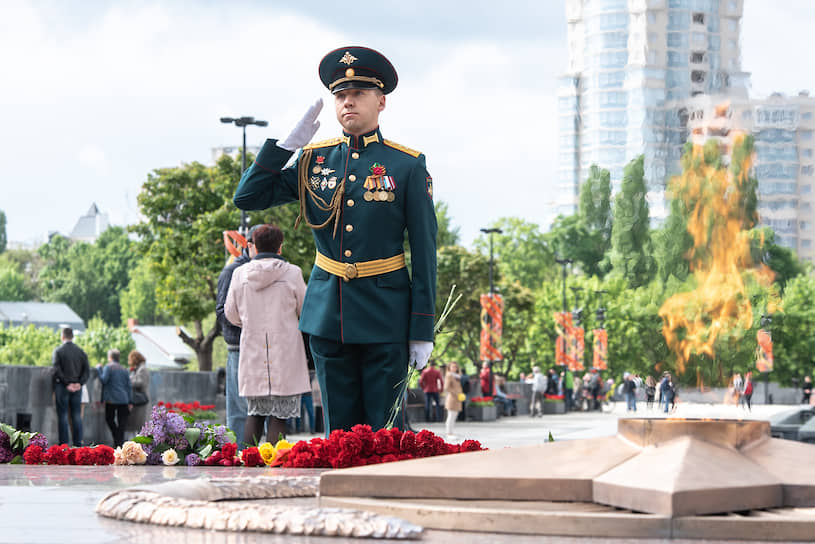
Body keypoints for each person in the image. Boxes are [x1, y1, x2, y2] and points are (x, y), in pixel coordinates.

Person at [233, 46, 437, 433]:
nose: (347, 103)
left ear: (381, 102)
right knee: (337, 435)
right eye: (340, 96)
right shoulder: (314, 160)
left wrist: (420, 329)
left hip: (386, 314)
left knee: (386, 433)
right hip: (330, 315)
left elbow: (425, 253)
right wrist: (284, 148)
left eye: (358, 94)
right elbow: (248, 197)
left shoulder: (407, 165)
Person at [225, 224, 311, 445]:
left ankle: (249, 462)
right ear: (280, 247)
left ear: (254, 246)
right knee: (280, 416)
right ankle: (276, 465)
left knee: (254, 414)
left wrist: (248, 323)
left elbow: (230, 313)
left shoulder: (239, 274)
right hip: (286, 352)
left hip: (252, 350)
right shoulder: (292, 273)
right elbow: (306, 310)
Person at [215, 225, 257, 447]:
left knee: (262, 408)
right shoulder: (231, 271)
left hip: (261, 346)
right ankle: (241, 453)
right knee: (240, 409)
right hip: (238, 347)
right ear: (248, 245)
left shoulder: (270, 269)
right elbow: (221, 311)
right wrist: (248, 324)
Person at [52, 326, 90, 446]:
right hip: (77, 388)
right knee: (76, 416)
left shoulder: (58, 351)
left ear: (62, 336)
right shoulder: (80, 352)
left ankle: (64, 444)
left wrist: (66, 383)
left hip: (63, 387)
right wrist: (79, 383)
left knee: (63, 416)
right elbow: (87, 371)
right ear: (72, 337)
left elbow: (56, 369)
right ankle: (78, 443)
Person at [97, 349, 133, 448]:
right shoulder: (124, 369)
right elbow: (129, 386)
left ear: (110, 357)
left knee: (109, 419)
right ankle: (118, 443)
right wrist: (130, 401)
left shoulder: (108, 367)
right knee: (122, 423)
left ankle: (117, 442)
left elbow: (104, 380)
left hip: (111, 400)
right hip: (124, 399)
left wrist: (99, 369)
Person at [126, 350, 150, 435]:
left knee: (139, 424)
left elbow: (141, 382)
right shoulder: (138, 368)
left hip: (140, 398)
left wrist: (129, 381)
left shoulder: (142, 369)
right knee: (136, 424)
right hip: (138, 399)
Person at [443, 362, 464, 441]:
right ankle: (448, 433)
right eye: (453, 367)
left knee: (454, 416)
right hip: (452, 398)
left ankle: (451, 432)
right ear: (449, 367)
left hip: (457, 398)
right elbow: (447, 387)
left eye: (456, 367)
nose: (455, 368)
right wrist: (456, 393)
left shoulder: (457, 376)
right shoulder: (449, 375)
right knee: (451, 416)